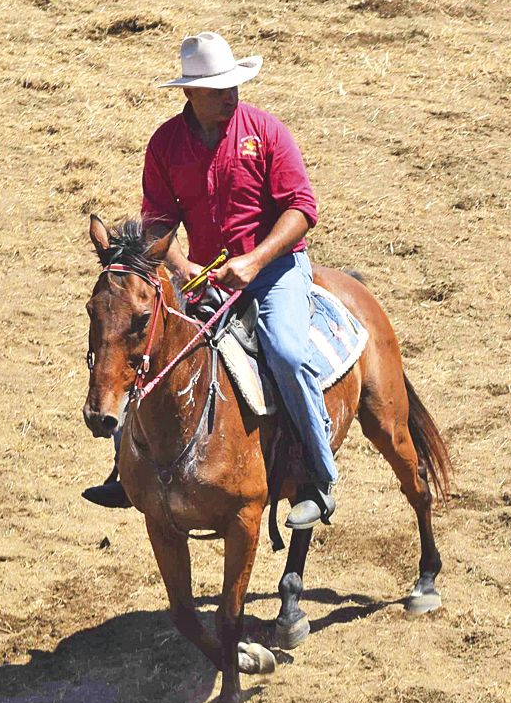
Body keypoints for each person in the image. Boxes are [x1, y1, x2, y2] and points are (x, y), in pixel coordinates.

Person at [83, 32, 336, 530]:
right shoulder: (165, 145)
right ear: (189, 94)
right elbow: (158, 223)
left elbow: (302, 210)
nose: (230, 95)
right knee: (143, 343)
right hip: (204, 274)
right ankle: (126, 466)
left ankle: (317, 476)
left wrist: (255, 262)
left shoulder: (266, 132)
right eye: (218, 88)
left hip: (276, 271)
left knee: (285, 351)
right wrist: (182, 270)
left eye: (233, 85)